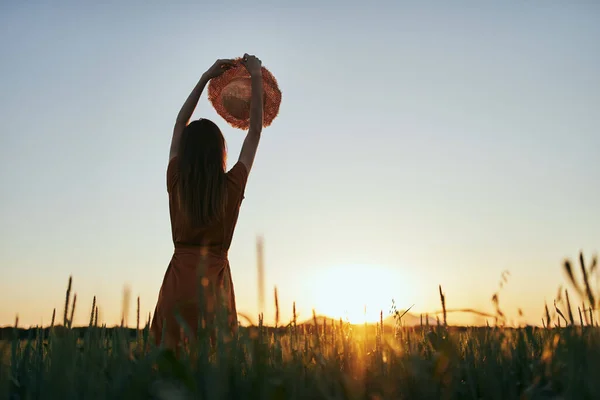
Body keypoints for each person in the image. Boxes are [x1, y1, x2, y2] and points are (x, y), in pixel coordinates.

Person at [151, 54, 264, 351]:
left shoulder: (176, 181)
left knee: (167, 370)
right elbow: (254, 132)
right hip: (215, 289)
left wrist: (205, 78)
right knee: (214, 372)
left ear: (186, 152)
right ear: (220, 153)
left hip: (177, 286)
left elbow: (179, 123)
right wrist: (254, 76)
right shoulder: (232, 185)